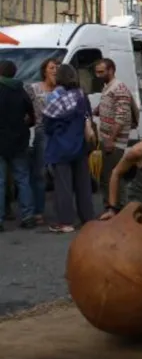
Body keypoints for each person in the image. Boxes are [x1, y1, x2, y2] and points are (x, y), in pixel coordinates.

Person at [42, 64, 94, 233]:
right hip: (80, 146)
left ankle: (66, 222)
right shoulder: (81, 95)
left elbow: (47, 125)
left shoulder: (54, 98)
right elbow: (88, 117)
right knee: (83, 184)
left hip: (60, 147)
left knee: (63, 186)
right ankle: (88, 218)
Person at [94, 58, 139, 214]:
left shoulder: (119, 88)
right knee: (106, 176)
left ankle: (118, 210)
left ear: (111, 70)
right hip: (108, 140)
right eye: (96, 72)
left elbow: (122, 117)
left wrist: (111, 140)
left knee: (113, 176)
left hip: (115, 143)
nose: (98, 75)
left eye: (101, 72)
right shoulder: (109, 87)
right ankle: (112, 208)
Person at [0, 61, 37, 232]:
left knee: (0, 182)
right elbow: (32, 116)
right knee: (23, 179)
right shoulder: (21, 91)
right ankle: (28, 216)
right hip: (19, 141)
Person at [27, 57, 59, 228]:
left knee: (59, 173)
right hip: (42, 133)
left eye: (57, 68)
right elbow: (25, 107)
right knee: (39, 173)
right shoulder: (34, 88)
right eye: (52, 67)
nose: (55, 70)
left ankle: (61, 211)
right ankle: (38, 211)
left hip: (59, 134)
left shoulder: (62, 90)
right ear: (44, 71)